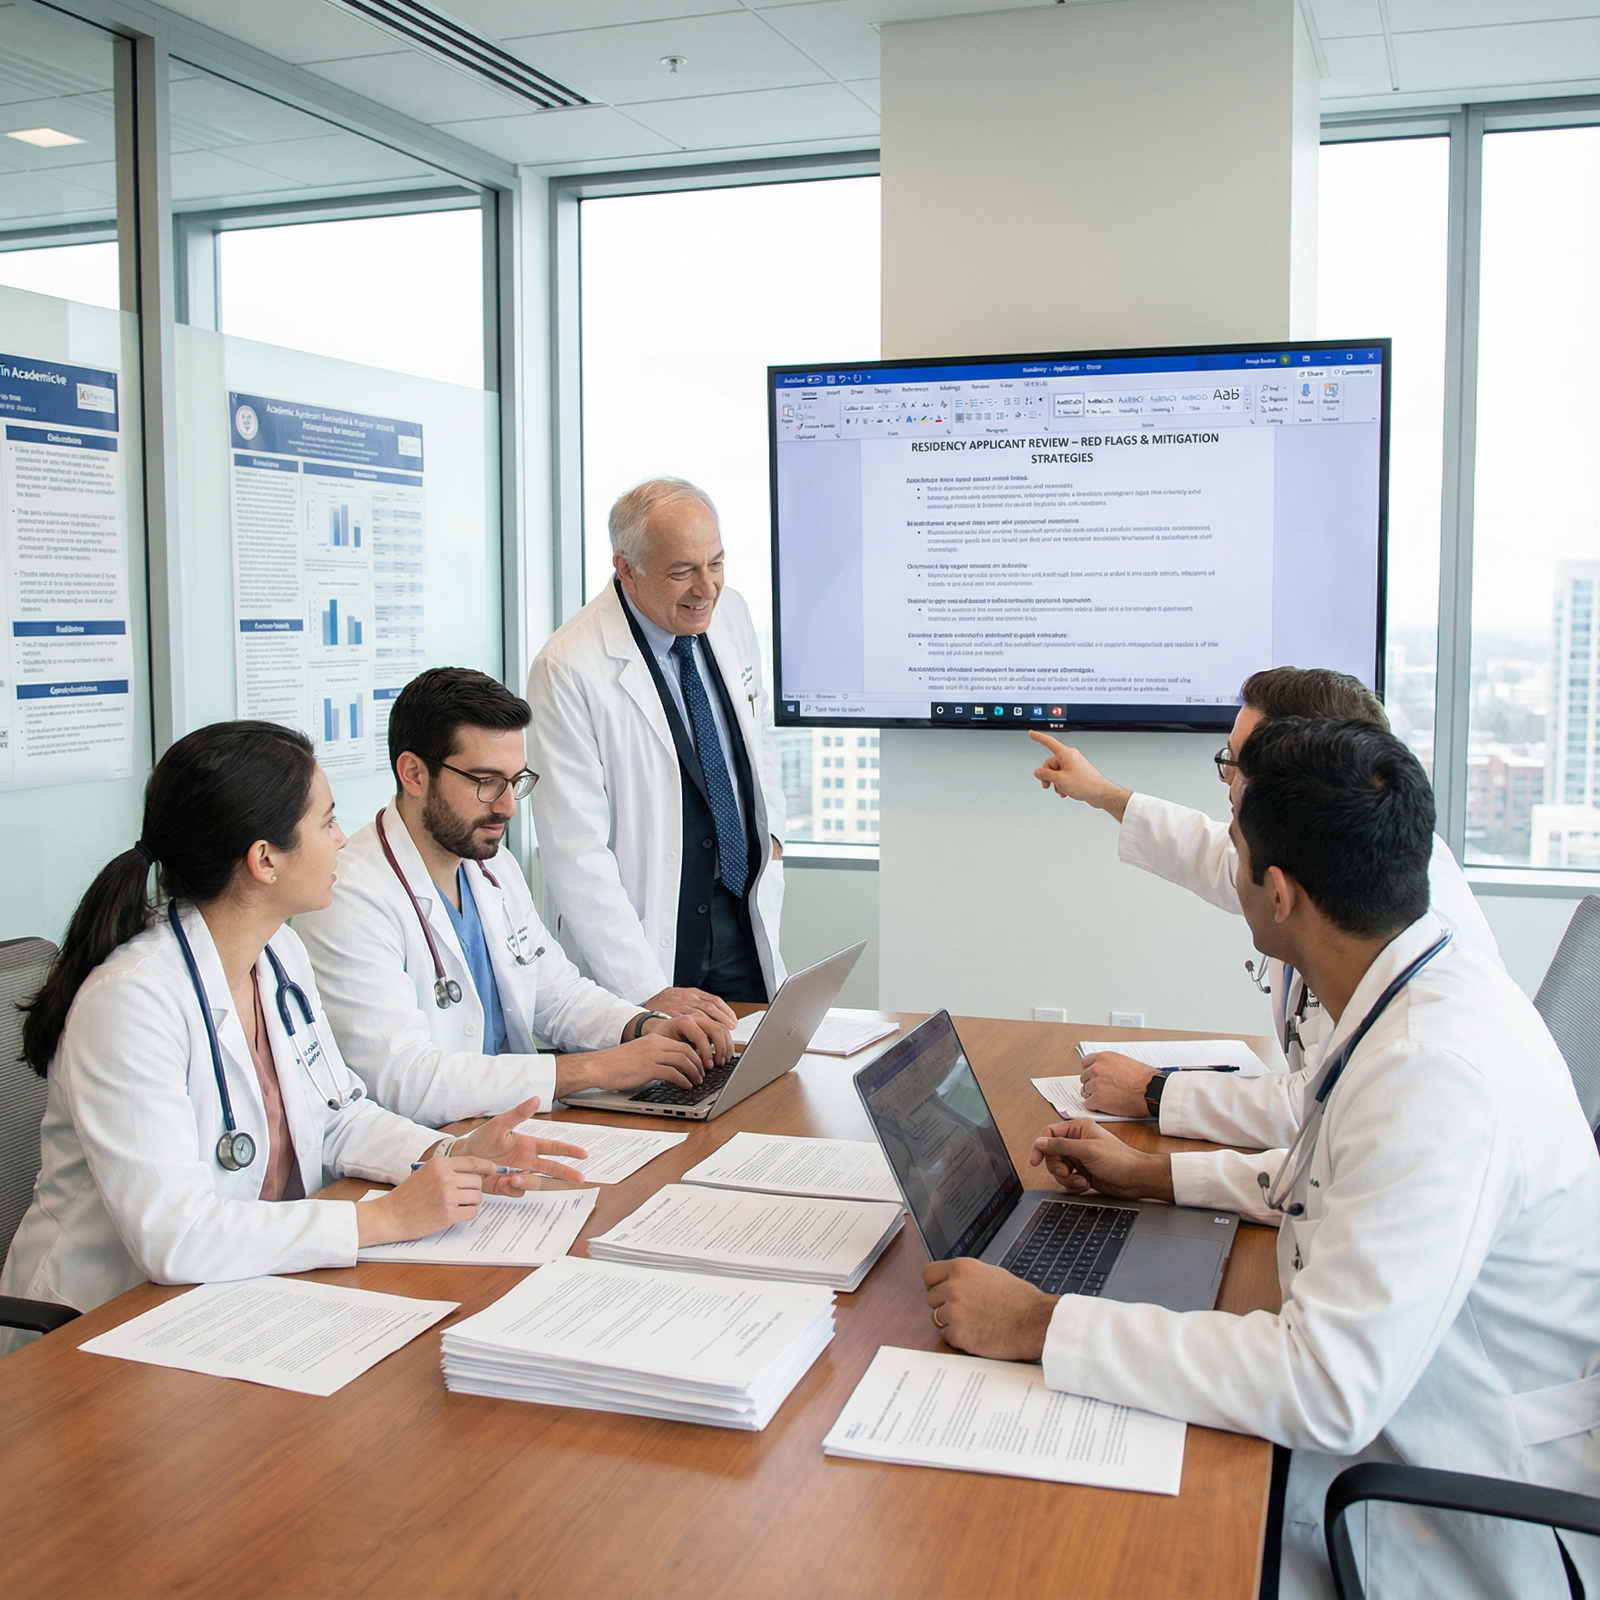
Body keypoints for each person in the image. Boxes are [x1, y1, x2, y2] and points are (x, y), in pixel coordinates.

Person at [928, 718, 1600, 1600]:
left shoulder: (1433, 1073)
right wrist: (1155, 1174)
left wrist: (1039, 1326)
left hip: (1448, 1513)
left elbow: (1324, 1386)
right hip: (1406, 1426)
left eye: (1235, 845)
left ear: (1277, 892)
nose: (1226, 863)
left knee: (1084, 1554)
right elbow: (1329, 1185)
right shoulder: (1417, 990)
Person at [0, 721, 587, 1354]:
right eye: (327, 822)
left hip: (241, 1300)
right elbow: (174, 1236)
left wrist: (451, 1154)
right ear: (264, 859)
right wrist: (380, 1219)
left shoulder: (276, 952)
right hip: (98, 1331)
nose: (342, 841)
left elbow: (338, 1118)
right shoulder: (130, 1002)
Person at [1031, 666, 1499, 1147]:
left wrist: (1155, 1091)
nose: (1227, 779)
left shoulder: (1397, 939)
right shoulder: (1343, 853)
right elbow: (1219, 856)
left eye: (1239, 763)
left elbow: (1321, 1119)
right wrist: (1104, 794)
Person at [294, 669, 728, 1128]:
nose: (507, 807)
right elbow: (404, 1079)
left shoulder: (489, 865)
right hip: (422, 1152)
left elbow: (556, 994)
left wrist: (643, 1027)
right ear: (413, 773)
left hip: (510, 1128)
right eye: (485, 781)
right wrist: (596, 1068)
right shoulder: (348, 896)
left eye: (515, 780)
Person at [526, 477, 785, 1008]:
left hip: (740, 909)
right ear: (626, 568)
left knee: (759, 1077)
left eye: (715, 562)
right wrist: (646, 989)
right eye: (682, 571)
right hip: (644, 936)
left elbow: (757, 744)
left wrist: (772, 834)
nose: (706, 587)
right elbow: (575, 851)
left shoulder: (729, 612)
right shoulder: (567, 668)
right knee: (663, 1086)